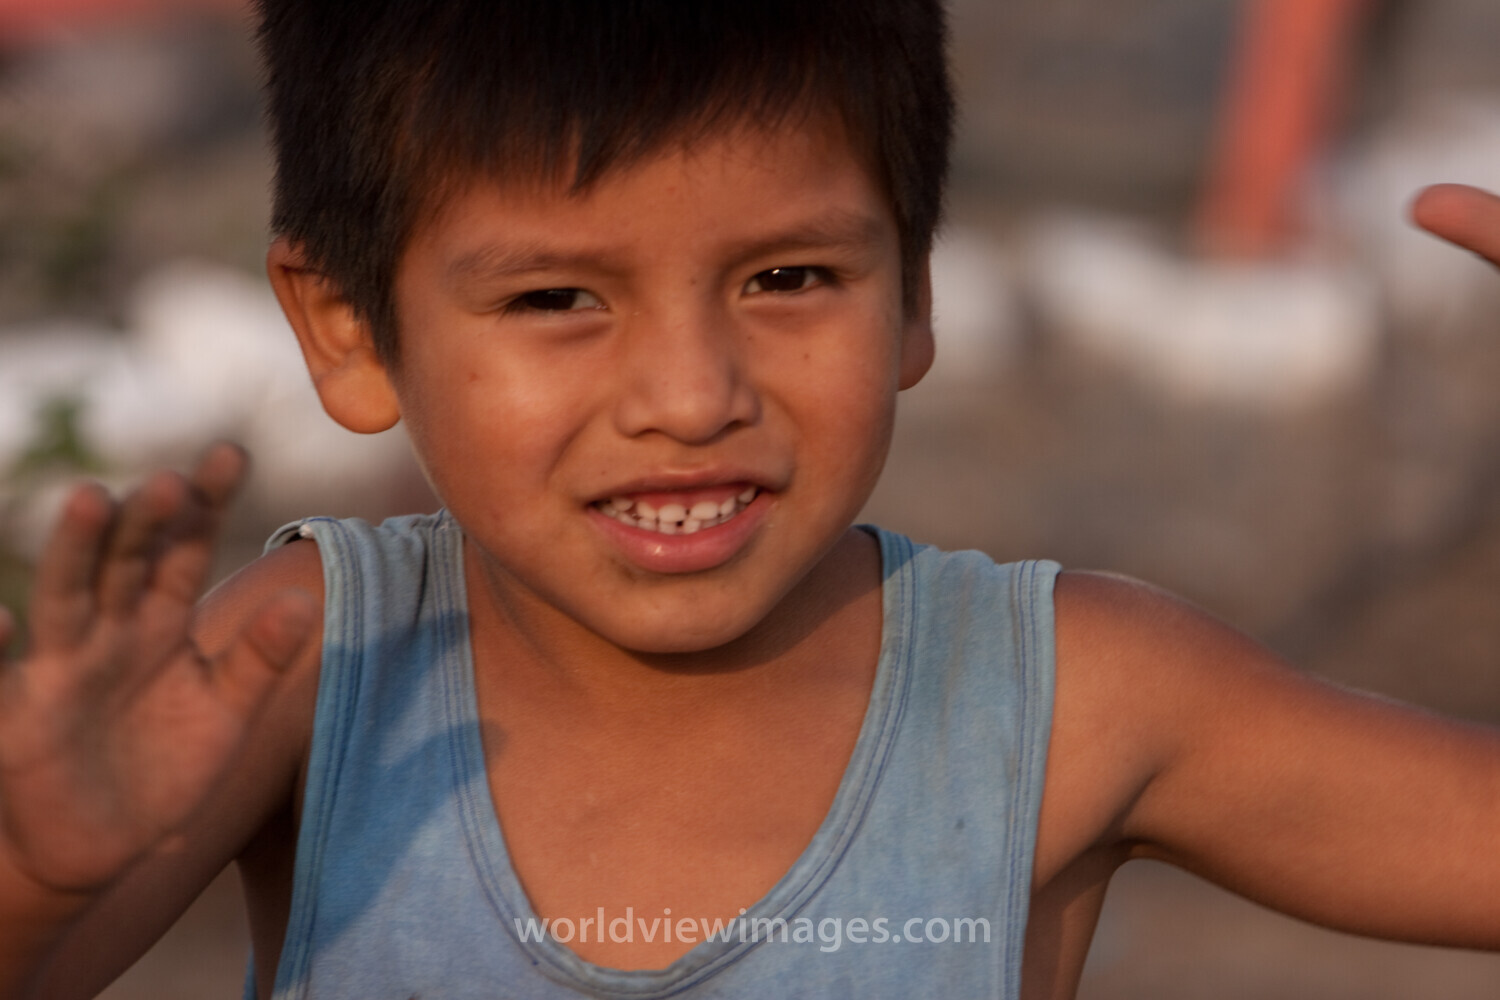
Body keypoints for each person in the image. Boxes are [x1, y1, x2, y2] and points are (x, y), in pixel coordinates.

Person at [2, 2, 1498, 997]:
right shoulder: (318, 667)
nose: (690, 391)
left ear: (913, 288)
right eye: (555, 296)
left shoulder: (1068, 699)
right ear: (347, 329)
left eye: (789, 278)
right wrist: (36, 870)